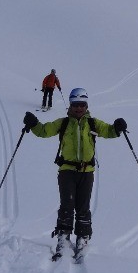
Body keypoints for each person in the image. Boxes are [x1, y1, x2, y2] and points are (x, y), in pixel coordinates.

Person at [23, 88, 127, 249]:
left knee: (83, 206)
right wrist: (34, 124)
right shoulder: (63, 123)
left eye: (82, 105)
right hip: (67, 171)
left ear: (86, 106)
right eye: (76, 105)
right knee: (67, 204)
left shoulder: (93, 123)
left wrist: (117, 127)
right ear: (70, 106)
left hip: (87, 172)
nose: (79, 108)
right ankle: (63, 238)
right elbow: (44, 131)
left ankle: (83, 238)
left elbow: (108, 131)